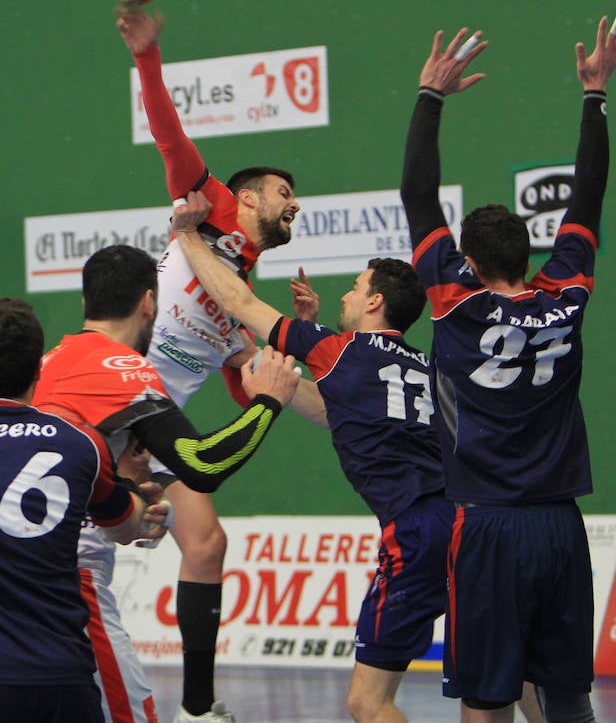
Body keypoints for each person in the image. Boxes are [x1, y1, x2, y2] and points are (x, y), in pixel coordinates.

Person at [170, 193, 542, 723]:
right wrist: (271, 372)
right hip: (477, 523)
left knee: (368, 704)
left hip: (417, 530)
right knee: (496, 683)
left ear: (374, 303)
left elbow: (239, 303)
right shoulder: (427, 365)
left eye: (354, 288)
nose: (346, 296)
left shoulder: (337, 349)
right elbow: (332, 412)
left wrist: (186, 236)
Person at [399, 15, 616, 723]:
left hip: (489, 525)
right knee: (566, 692)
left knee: (488, 692)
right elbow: (588, 192)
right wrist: (594, 94)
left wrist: (429, 96)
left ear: (468, 262)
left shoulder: (452, 300)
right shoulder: (564, 293)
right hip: (562, 526)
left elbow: (417, 194)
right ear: (530, 257)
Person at [115, 5, 309, 723]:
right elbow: (169, 133)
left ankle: (196, 708)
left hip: (157, 423)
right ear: (250, 194)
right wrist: (148, 56)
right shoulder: (212, 204)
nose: (295, 206)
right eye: (287, 195)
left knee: (206, 542)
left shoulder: (240, 296)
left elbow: (243, 383)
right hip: (116, 398)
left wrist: (293, 346)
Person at [31, 243, 301, 723]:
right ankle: (196, 710)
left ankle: (198, 707)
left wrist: (129, 500)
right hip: (70, 582)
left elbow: (70, 470)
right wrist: (269, 403)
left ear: (84, 304)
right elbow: (203, 465)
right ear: (149, 304)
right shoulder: (127, 370)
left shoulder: (50, 363)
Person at [0, 298, 164, 723]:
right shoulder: (79, 445)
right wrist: (146, 507)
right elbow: (123, 525)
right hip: (58, 679)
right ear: (38, 371)